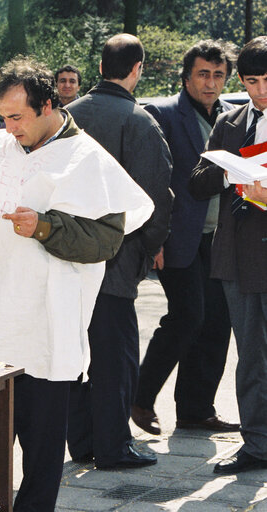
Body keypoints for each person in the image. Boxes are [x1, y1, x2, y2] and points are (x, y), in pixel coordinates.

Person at [0, 57, 153, 511]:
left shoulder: (86, 158)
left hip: (41, 330)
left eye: (18, 117)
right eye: (4, 117)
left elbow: (106, 240)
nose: (9, 127)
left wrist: (45, 227)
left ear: (49, 104)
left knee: (40, 455)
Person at [66, 33, 173, 469]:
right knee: (117, 360)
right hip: (116, 259)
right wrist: (148, 251)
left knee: (73, 357)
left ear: (99, 68)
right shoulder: (139, 120)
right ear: (137, 69)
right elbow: (156, 199)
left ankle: (83, 442)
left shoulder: (66, 116)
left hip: (63, 255)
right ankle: (112, 447)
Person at [132, 40, 239, 436]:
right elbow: (149, 180)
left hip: (221, 237)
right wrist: (152, 237)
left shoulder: (233, 117)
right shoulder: (161, 114)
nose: (210, 83)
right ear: (186, 76)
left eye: (218, 75)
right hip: (176, 236)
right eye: (203, 74)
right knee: (187, 316)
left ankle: (195, 410)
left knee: (217, 323)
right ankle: (140, 396)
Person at [189, 36, 267, 474]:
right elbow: (197, 182)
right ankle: (257, 444)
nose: (259, 92)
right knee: (250, 355)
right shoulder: (230, 122)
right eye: (251, 81)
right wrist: (230, 171)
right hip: (237, 257)